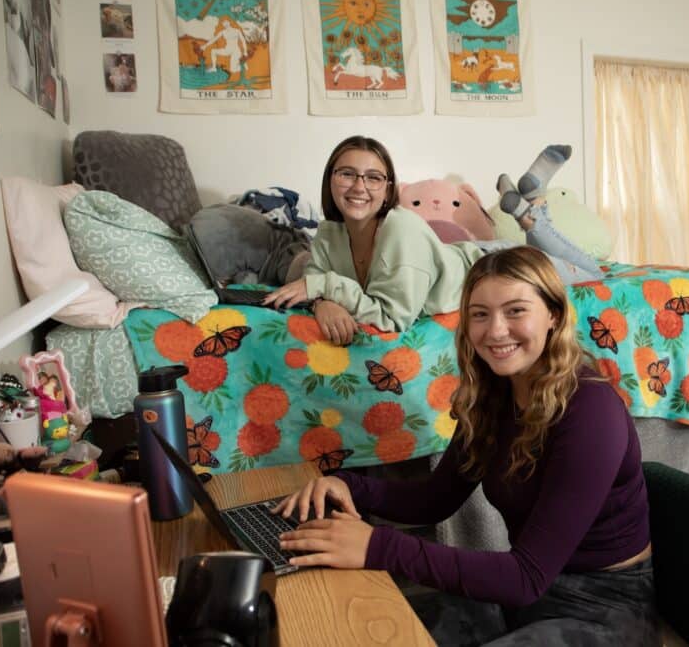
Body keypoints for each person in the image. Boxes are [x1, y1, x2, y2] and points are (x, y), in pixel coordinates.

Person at [274, 246, 657, 645]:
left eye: (515, 310)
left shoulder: (591, 411)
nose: (495, 331)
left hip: (605, 609)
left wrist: (376, 545)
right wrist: (349, 486)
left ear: (553, 315)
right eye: (480, 314)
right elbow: (433, 500)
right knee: (365, 630)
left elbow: (525, 577)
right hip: (523, 595)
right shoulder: (493, 396)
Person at [264, 136, 602, 344]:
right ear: (330, 181)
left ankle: (534, 214)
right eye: (346, 174)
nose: (358, 186)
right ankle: (534, 205)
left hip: (500, 268)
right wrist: (323, 301)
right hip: (468, 254)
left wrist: (324, 288)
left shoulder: (401, 229)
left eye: (373, 177)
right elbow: (315, 284)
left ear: (388, 190)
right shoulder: (328, 233)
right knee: (583, 265)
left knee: (595, 272)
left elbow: (393, 319)